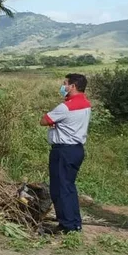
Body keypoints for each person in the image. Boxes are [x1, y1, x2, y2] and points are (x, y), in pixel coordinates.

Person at [40, 73, 92, 234]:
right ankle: (74, 222)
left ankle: (66, 225)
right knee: (68, 187)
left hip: (63, 150)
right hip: (76, 150)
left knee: (59, 188)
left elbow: (44, 120)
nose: (63, 87)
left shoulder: (66, 107)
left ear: (73, 86)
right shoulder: (85, 103)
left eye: (65, 84)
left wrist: (55, 124)